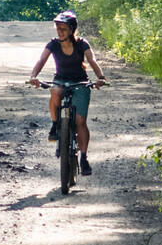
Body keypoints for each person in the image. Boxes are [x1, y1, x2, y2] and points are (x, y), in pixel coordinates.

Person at [27, 10, 108, 176]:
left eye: (64, 28)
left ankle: (84, 158)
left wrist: (100, 77)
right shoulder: (53, 44)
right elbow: (42, 60)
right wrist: (33, 76)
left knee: (80, 121)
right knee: (55, 92)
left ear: (72, 30)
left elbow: (92, 61)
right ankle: (56, 125)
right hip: (61, 80)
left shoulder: (82, 44)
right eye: (58, 28)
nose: (60, 31)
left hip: (80, 82)